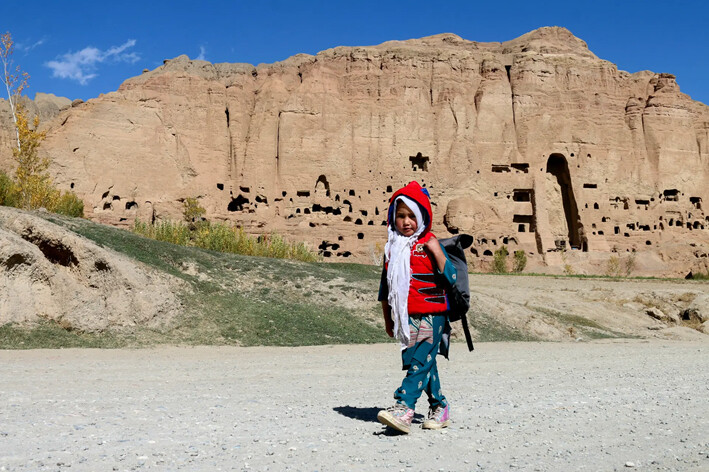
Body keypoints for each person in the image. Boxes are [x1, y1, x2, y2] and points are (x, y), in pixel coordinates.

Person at [376, 181, 457, 434]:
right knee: (422, 361)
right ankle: (439, 407)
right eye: (400, 216)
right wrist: (388, 320)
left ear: (422, 217)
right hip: (406, 316)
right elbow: (385, 289)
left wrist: (437, 251)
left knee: (419, 361)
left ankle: (404, 407)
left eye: (412, 215)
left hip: (433, 314)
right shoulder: (393, 248)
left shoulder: (429, 244)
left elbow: (452, 277)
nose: (406, 221)